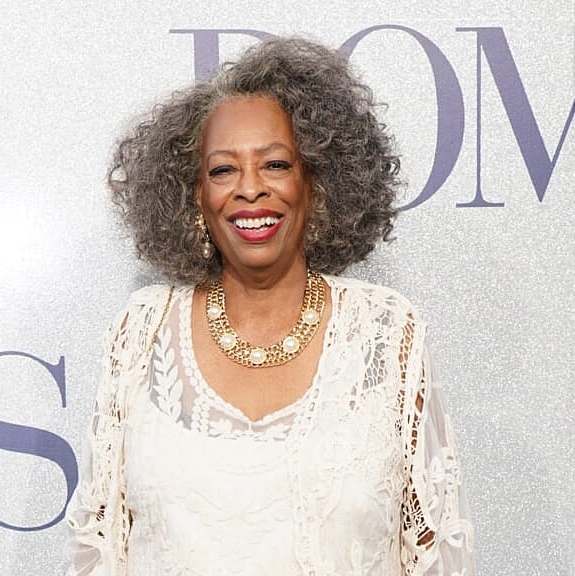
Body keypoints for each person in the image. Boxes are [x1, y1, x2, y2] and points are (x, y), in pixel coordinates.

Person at [65, 36, 475, 575]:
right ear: (194, 195)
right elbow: (99, 549)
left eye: (276, 164)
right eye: (222, 170)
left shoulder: (385, 330)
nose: (250, 189)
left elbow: (436, 549)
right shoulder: (141, 329)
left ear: (316, 183)